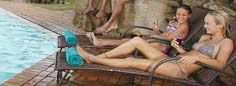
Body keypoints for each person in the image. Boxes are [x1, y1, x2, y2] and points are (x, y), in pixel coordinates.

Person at [77, 10, 234, 79]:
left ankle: (94, 59)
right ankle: (100, 56)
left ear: (220, 25)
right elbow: (188, 55)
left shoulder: (226, 42)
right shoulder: (205, 38)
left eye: (208, 24)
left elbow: (220, 64)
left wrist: (198, 59)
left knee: (132, 61)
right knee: (137, 40)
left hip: (179, 70)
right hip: (175, 61)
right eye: (205, 23)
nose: (204, 26)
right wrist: (179, 48)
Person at [87, 5, 192, 53]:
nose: (180, 17)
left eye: (184, 15)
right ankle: (100, 41)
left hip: (163, 46)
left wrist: (154, 36)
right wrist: (157, 30)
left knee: (131, 41)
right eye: (178, 14)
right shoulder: (175, 23)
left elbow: (168, 38)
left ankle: (101, 43)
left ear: (189, 16)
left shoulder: (184, 26)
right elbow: (165, 34)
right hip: (158, 40)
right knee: (127, 41)